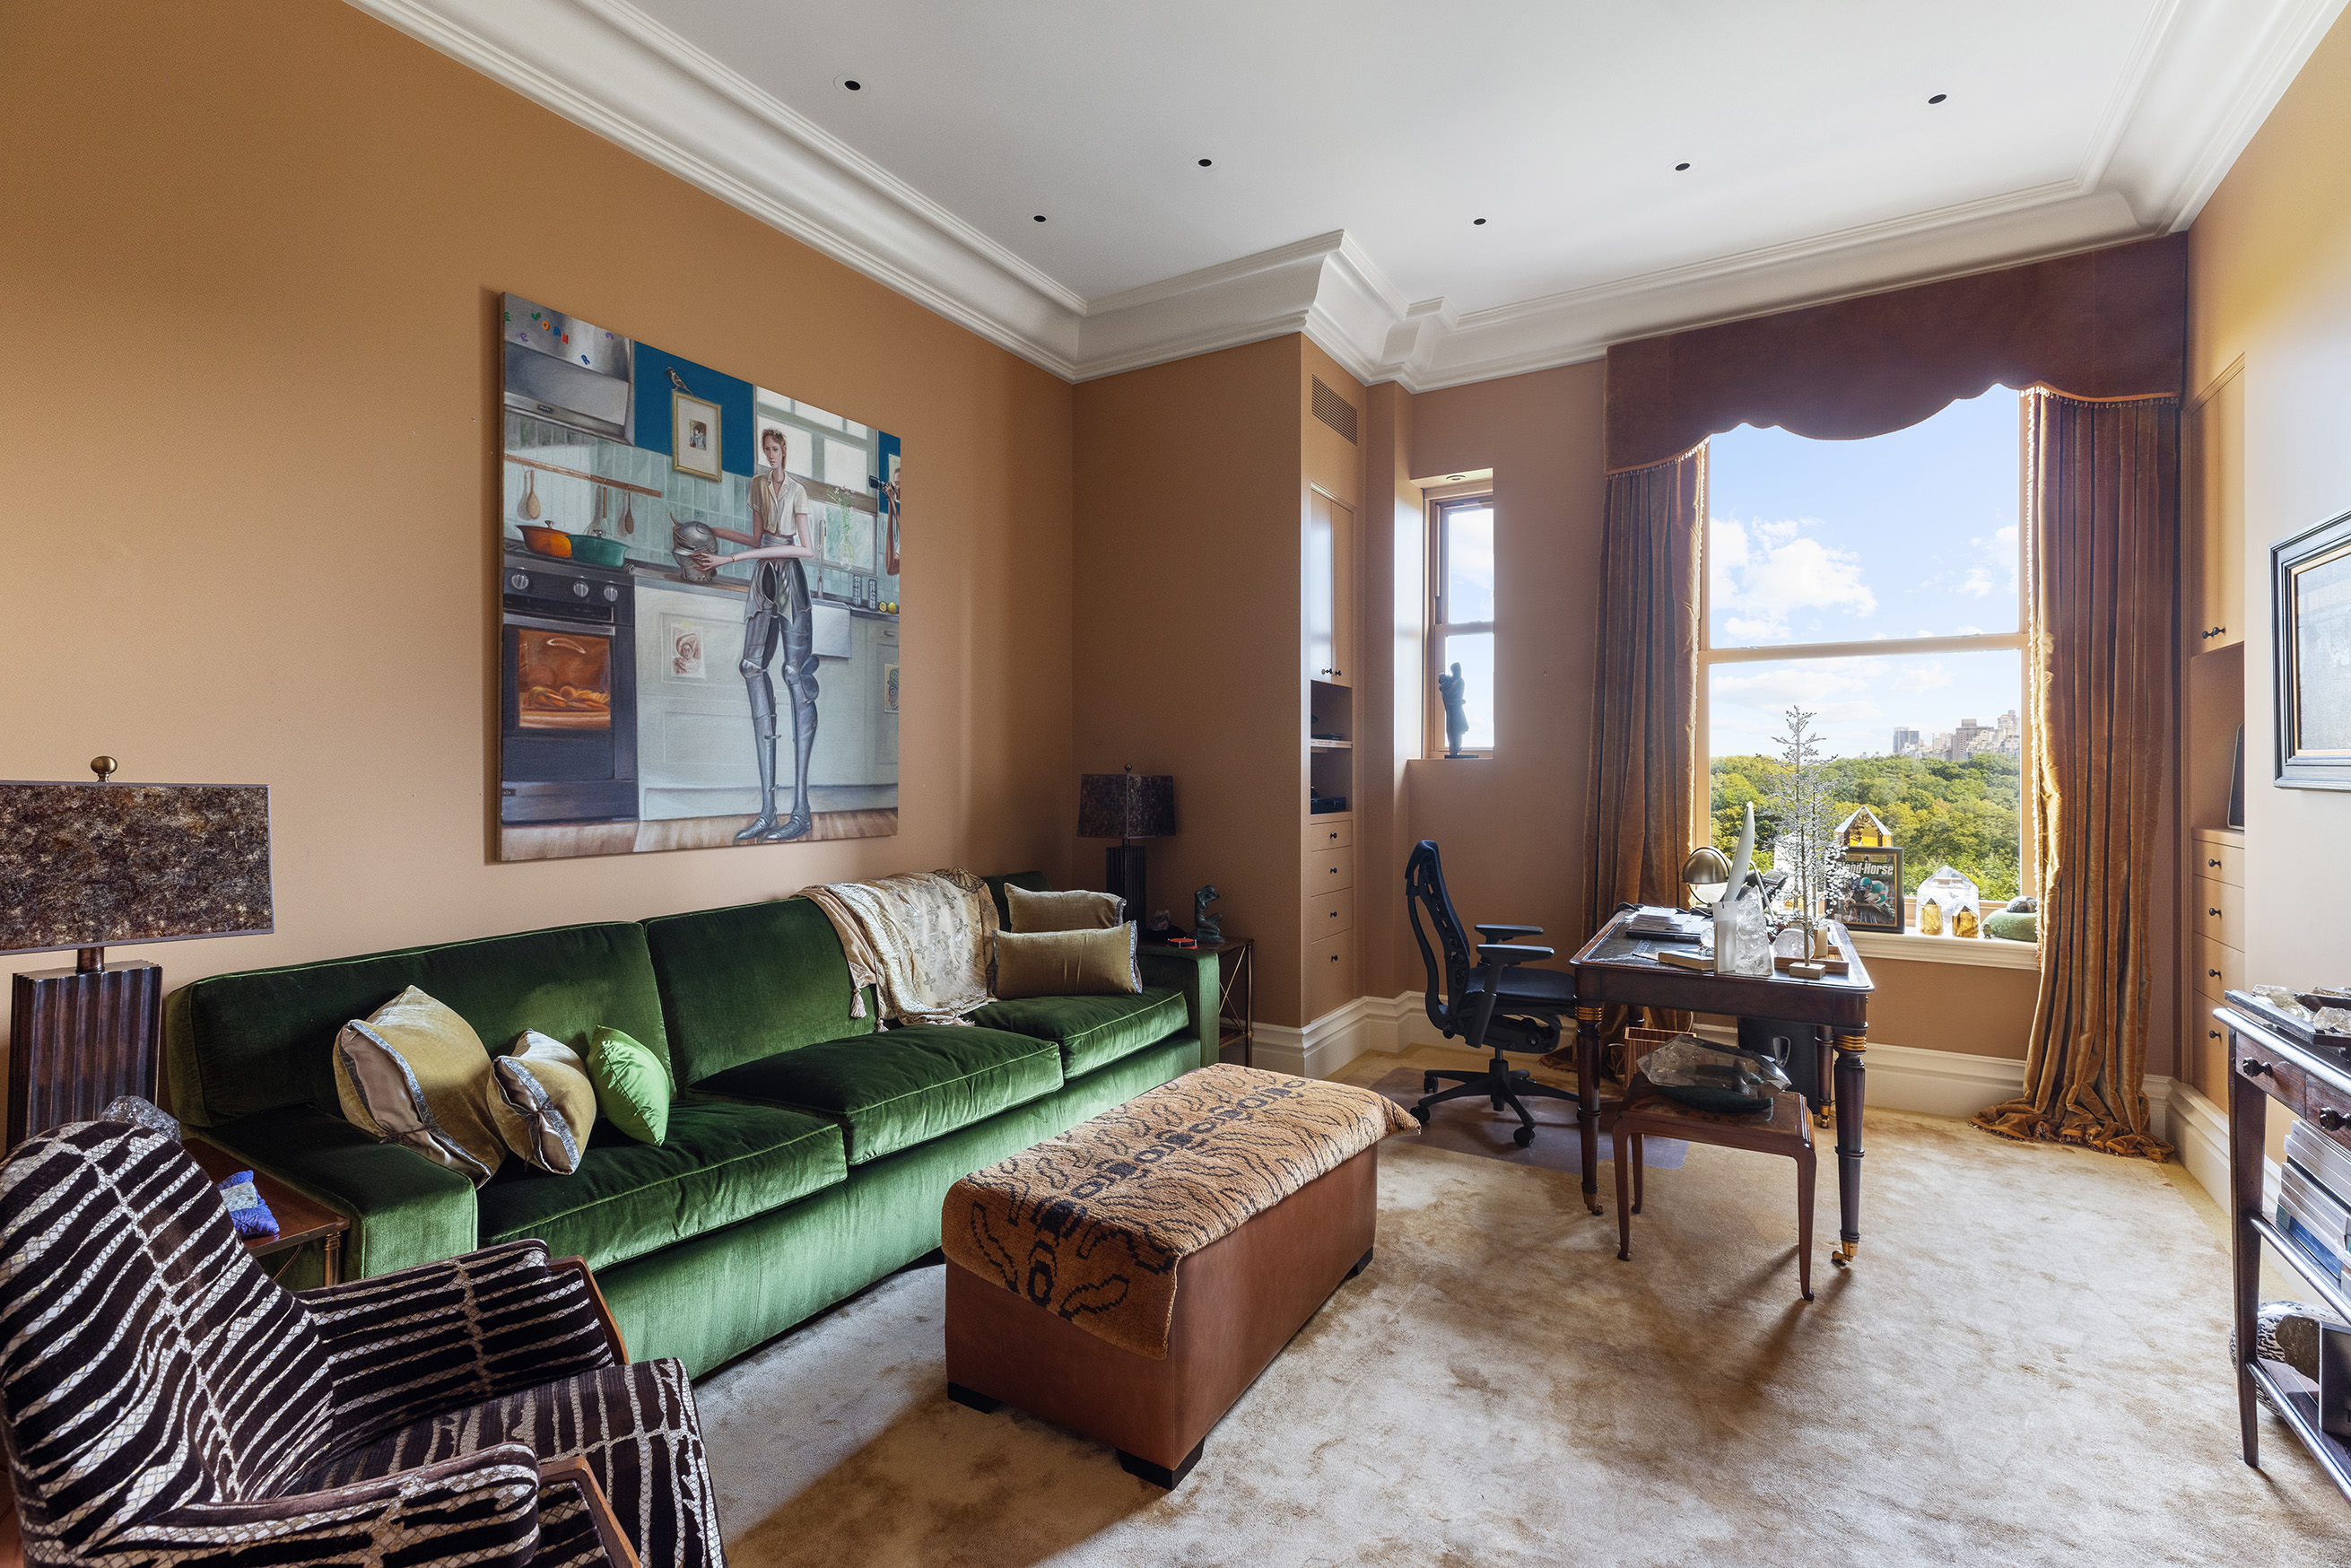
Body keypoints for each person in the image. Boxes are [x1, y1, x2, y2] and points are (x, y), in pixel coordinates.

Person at [689, 427, 820, 841]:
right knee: (751, 666)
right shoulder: (758, 486)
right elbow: (757, 537)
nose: (770, 455)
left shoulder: (797, 491)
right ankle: (768, 811)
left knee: (796, 676)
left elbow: (805, 549)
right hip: (763, 578)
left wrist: (733, 558)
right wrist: (712, 533)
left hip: (790, 582)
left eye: (775, 449)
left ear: (785, 451)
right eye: (766, 449)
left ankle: (801, 812)